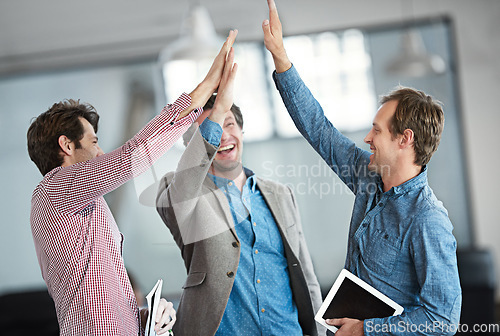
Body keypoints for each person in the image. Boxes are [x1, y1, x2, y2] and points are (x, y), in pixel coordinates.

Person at [262, 1, 462, 336]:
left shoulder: (428, 220)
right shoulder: (369, 177)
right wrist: (281, 57)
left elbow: (443, 320)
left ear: (405, 139)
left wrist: (366, 330)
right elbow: (320, 129)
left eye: (378, 130)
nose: (368, 138)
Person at [27, 29, 238, 336]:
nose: (100, 151)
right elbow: (132, 157)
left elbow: (97, 298)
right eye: (94, 142)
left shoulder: (84, 201)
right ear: (67, 145)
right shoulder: (56, 188)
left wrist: (143, 318)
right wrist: (203, 91)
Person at [155, 54, 324, 335]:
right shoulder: (181, 193)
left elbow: (306, 275)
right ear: (195, 146)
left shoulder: (281, 194)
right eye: (213, 128)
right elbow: (183, 188)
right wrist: (218, 108)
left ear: (242, 130)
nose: (223, 135)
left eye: (229, 123)